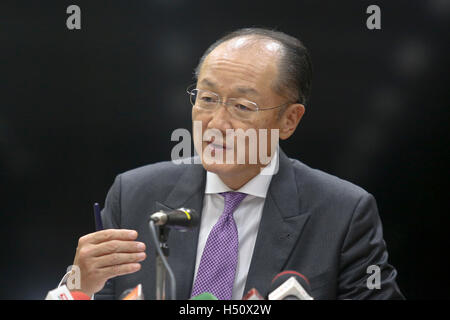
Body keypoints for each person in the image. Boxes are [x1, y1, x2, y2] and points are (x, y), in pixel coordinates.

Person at [69, 28, 404, 300]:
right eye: (207, 99)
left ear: (289, 120)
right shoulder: (134, 194)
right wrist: (79, 286)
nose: (216, 123)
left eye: (242, 106)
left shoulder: (343, 213)